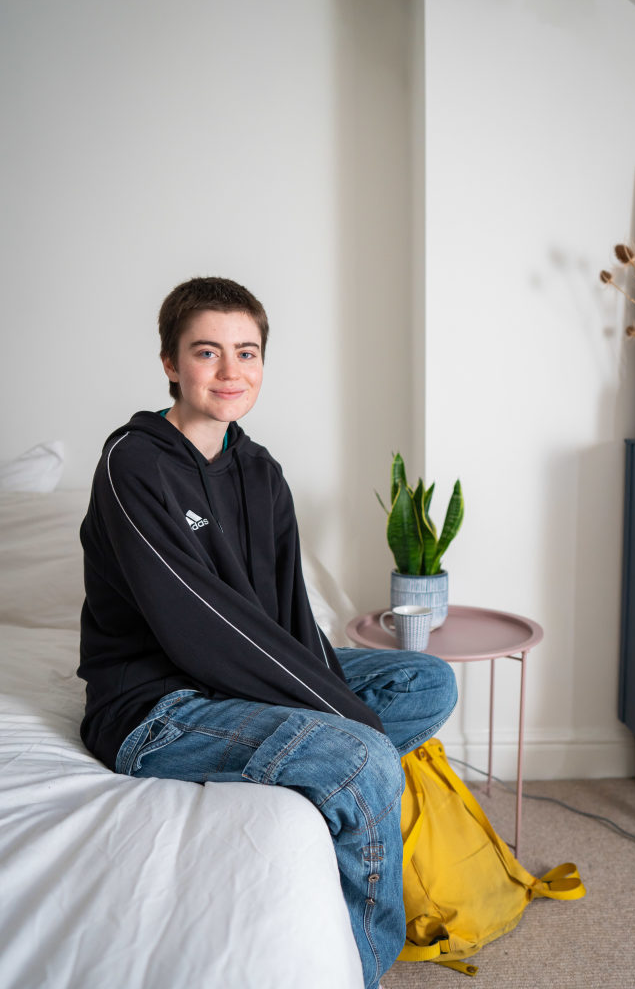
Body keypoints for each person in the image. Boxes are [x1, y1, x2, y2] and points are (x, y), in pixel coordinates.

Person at [78, 276, 458, 989]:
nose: (230, 373)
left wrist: (338, 702)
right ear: (169, 362)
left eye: (246, 353)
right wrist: (350, 727)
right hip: (158, 707)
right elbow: (199, 625)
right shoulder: (131, 464)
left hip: (244, 686)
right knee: (363, 759)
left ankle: (316, 770)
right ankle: (367, 968)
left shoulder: (260, 471)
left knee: (425, 679)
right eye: (206, 352)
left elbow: (288, 618)